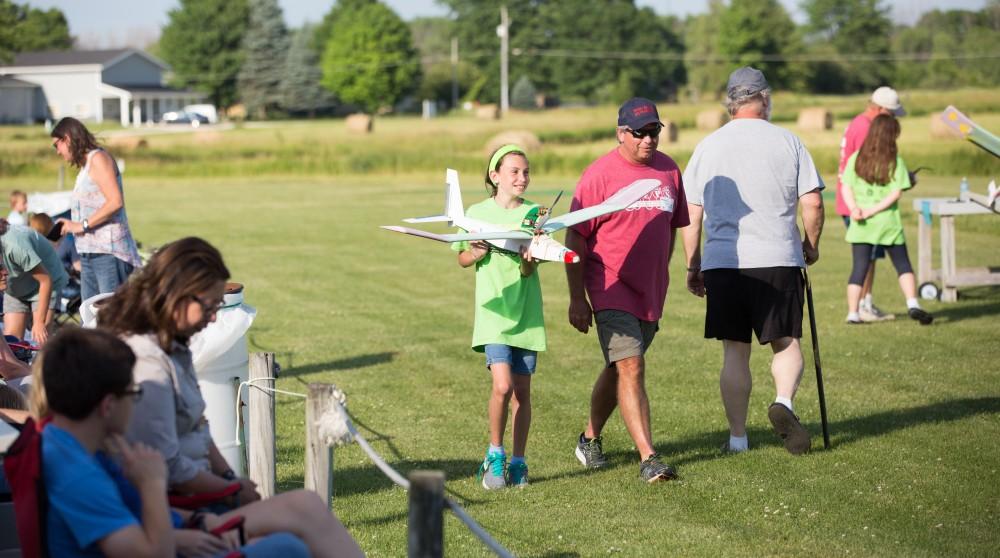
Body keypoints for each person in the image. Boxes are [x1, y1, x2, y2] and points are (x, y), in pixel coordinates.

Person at [97, 237, 364, 558]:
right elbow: (167, 469)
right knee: (304, 512)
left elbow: (199, 425)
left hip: (201, 498)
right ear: (177, 297)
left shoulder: (173, 345)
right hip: (176, 510)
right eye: (209, 307)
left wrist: (229, 479)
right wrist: (232, 489)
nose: (213, 318)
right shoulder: (146, 363)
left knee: (303, 516)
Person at [33, 327, 313, 558]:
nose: (136, 400)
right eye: (134, 392)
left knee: (291, 527)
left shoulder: (70, 445)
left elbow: (128, 514)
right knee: (288, 547)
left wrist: (194, 523)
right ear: (107, 406)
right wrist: (152, 483)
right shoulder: (78, 475)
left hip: (177, 531)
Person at [682, 67, 825, 455]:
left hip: (724, 261)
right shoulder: (789, 141)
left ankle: (738, 439)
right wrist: (810, 245)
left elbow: (691, 215)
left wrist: (693, 265)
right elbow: (812, 201)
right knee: (786, 341)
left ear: (730, 103)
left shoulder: (707, 147)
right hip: (777, 256)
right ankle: (784, 402)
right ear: (765, 98)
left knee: (735, 350)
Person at [565, 98, 689, 483]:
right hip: (609, 286)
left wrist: (673, 271)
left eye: (655, 131)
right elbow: (575, 238)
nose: (649, 140)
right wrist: (576, 298)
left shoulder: (669, 170)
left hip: (650, 291)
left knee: (619, 368)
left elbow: (673, 227)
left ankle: (588, 438)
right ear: (621, 133)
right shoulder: (598, 175)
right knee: (632, 365)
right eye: (640, 133)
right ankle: (649, 458)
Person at [453, 144, 545, 490]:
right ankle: (495, 455)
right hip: (492, 311)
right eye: (515, 172)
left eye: (526, 172)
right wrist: (474, 253)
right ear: (496, 176)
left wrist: (527, 259)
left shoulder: (535, 212)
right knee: (502, 386)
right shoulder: (476, 213)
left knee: (522, 391)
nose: (522, 178)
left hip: (526, 311)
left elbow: (528, 268)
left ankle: (519, 462)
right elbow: (461, 258)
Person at [842, 115, 933, 325]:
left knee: (859, 268)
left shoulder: (856, 158)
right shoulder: (895, 162)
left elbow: (846, 186)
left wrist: (855, 209)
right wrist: (874, 210)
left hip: (861, 223)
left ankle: (853, 313)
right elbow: (896, 193)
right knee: (903, 264)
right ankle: (912, 304)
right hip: (888, 223)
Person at [835, 87, 907, 322]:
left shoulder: (857, 122)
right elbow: (870, 169)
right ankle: (863, 306)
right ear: (881, 109)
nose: (893, 119)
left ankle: (865, 303)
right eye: (892, 113)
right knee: (865, 259)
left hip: (855, 202)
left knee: (869, 258)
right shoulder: (868, 128)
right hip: (860, 204)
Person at [50, 117, 142, 301]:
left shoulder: (99, 159)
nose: (57, 152)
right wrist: (69, 225)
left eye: (56, 145)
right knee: (89, 319)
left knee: (109, 319)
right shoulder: (85, 168)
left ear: (67, 138)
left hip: (108, 252)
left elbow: (115, 202)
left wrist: (81, 225)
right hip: (88, 253)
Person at [1, 223, 69, 345]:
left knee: (41, 341)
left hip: (45, 283)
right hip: (15, 288)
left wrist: (39, 322)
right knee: (12, 342)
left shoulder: (16, 247)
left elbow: (46, 281)